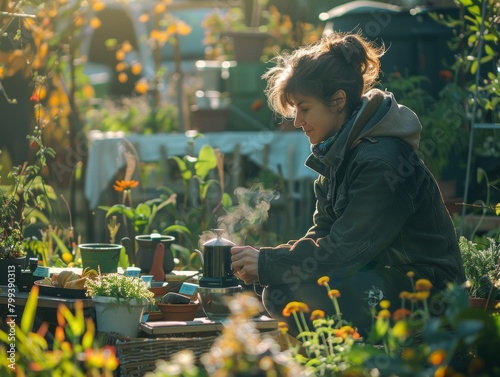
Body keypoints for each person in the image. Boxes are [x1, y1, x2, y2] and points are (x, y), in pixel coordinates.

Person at [230, 32, 466, 336]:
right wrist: (265, 263)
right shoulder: (338, 154)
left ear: (338, 101)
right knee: (282, 290)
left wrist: (267, 262)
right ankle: (343, 355)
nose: (297, 121)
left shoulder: (382, 161)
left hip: (427, 290)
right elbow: (323, 235)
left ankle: (365, 356)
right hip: (380, 275)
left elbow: (346, 250)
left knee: (297, 294)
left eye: (304, 108)